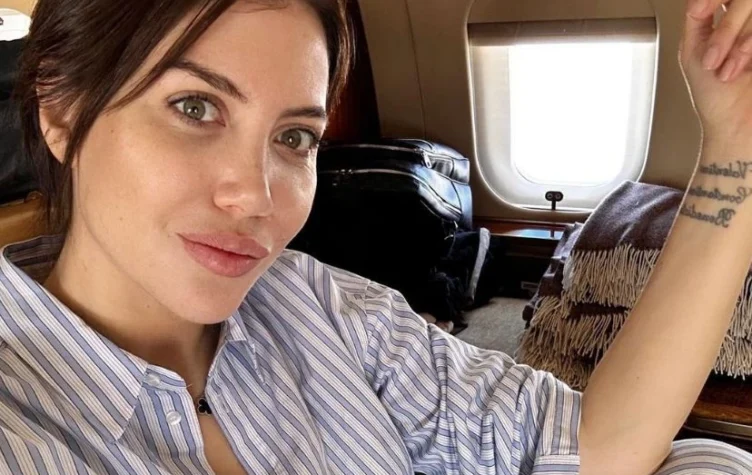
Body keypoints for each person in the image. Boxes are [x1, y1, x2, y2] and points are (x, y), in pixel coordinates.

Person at [1, 0, 752, 473]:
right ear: (60, 111)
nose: (256, 196)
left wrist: (735, 141)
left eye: (294, 137)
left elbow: (594, 448)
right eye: (195, 107)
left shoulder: (325, 309)